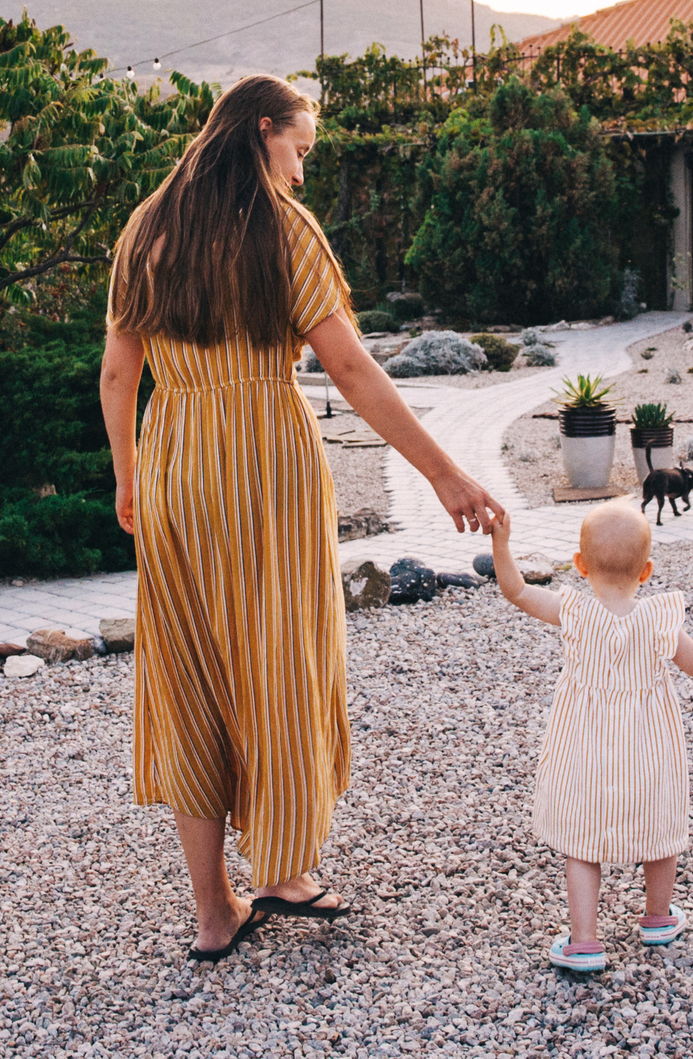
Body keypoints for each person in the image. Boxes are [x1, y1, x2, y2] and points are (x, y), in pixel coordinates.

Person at [101, 73, 506, 962]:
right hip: (266, 465)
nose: (301, 169)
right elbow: (350, 369)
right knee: (279, 658)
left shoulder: (146, 229)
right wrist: (443, 473)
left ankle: (215, 911)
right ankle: (285, 869)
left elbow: (119, 373)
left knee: (190, 672)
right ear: (262, 130)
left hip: (174, 464)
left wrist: (129, 477)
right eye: (300, 148)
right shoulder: (281, 229)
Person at [489, 499, 693, 972]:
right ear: (646, 570)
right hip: (649, 747)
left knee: (583, 839)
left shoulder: (573, 611)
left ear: (580, 564)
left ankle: (585, 941)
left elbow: (517, 590)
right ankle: (658, 918)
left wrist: (501, 543)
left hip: (584, 747)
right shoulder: (659, 619)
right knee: (658, 826)